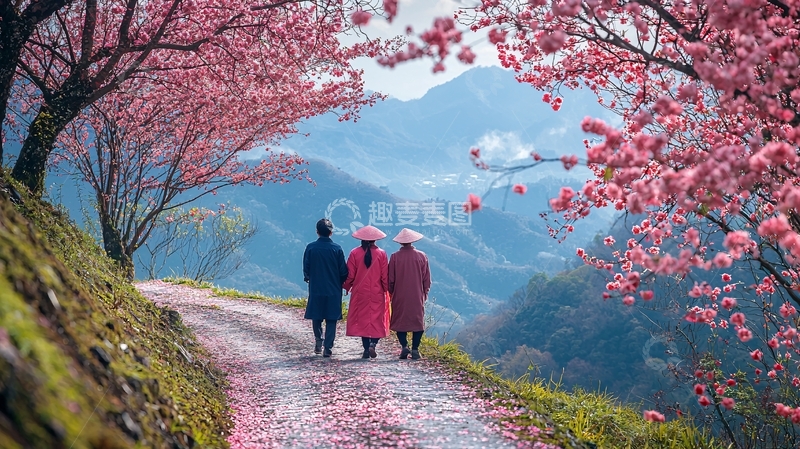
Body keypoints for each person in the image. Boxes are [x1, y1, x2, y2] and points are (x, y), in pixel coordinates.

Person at [302, 218, 348, 357]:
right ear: (331, 233)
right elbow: (343, 271)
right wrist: (340, 282)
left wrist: (309, 278)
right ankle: (328, 347)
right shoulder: (337, 249)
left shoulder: (311, 248)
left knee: (317, 316)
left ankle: (318, 340)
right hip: (333, 289)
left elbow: (306, 269)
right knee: (331, 318)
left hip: (316, 288)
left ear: (317, 232)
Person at [343, 225, 390, 359]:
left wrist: (347, 287)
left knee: (363, 320)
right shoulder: (381, 253)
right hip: (377, 292)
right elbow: (384, 277)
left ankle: (365, 349)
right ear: (376, 239)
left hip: (360, 293)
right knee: (377, 319)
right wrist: (387, 289)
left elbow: (350, 275)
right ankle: (373, 345)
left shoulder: (354, 253)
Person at [388, 228, 431, 360]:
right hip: (417, 295)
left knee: (400, 321)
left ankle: (404, 346)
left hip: (400, 295)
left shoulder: (395, 257)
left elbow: (390, 279)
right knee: (418, 322)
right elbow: (427, 279)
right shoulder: (422, 256)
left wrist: (391, 293)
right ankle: (415, 349)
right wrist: (424, 293)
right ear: (413, 241)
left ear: (400, 242)